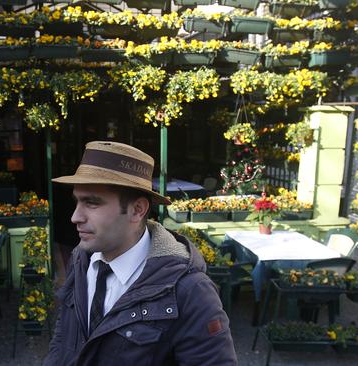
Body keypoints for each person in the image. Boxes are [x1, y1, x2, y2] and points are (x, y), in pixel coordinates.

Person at [45, 141, 237, 366]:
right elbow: (64, 336)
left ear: (137, 210)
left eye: (92, 203)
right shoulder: (82, 258)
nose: (75, 217)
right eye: (77, 202)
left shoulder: (190, 291)